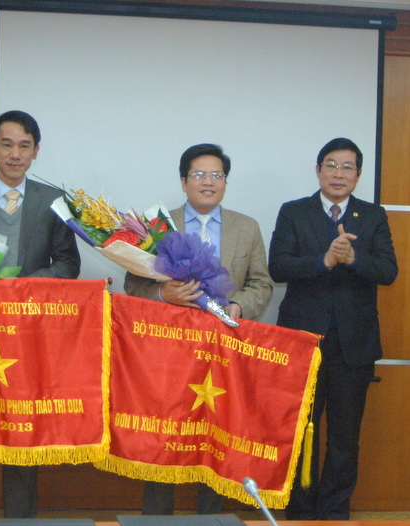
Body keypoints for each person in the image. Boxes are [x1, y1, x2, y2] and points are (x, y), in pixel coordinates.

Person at [124, 143, 273, 515]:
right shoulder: (158, 226)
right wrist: (163, 293)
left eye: (217, 175)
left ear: (225, 181)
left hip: (223, 350)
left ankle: (212, 519)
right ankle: (156, 521)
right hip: (169, 352)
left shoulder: (247, 227)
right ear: (183, 181)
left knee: (217, 437)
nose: (209, 182)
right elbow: (133, 284)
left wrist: (238, 307)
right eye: (199, 174)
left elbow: (261, 283)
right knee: (165, 436)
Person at [0, 110, 80, 523]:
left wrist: (22, 285)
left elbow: (68, 264)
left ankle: (20, 520)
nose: (15, 154)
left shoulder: (53, 201)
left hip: (28, 332)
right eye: (6, 144)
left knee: (23, 426)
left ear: (36, 151)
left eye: (24, 146)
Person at [269, 137, 397, 520]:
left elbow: (388, 271)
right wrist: (324, 260)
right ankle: (299, 510)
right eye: (331, 165)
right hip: (302, 342)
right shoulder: (294, 211)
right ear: (318, 170)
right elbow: (278, 267)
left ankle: (334, 511)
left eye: (347, 167)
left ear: (358, 175)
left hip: (352, 345)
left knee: (344, 436)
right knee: (300, 431)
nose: (338, 174)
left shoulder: (373, 216)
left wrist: (354, 257)